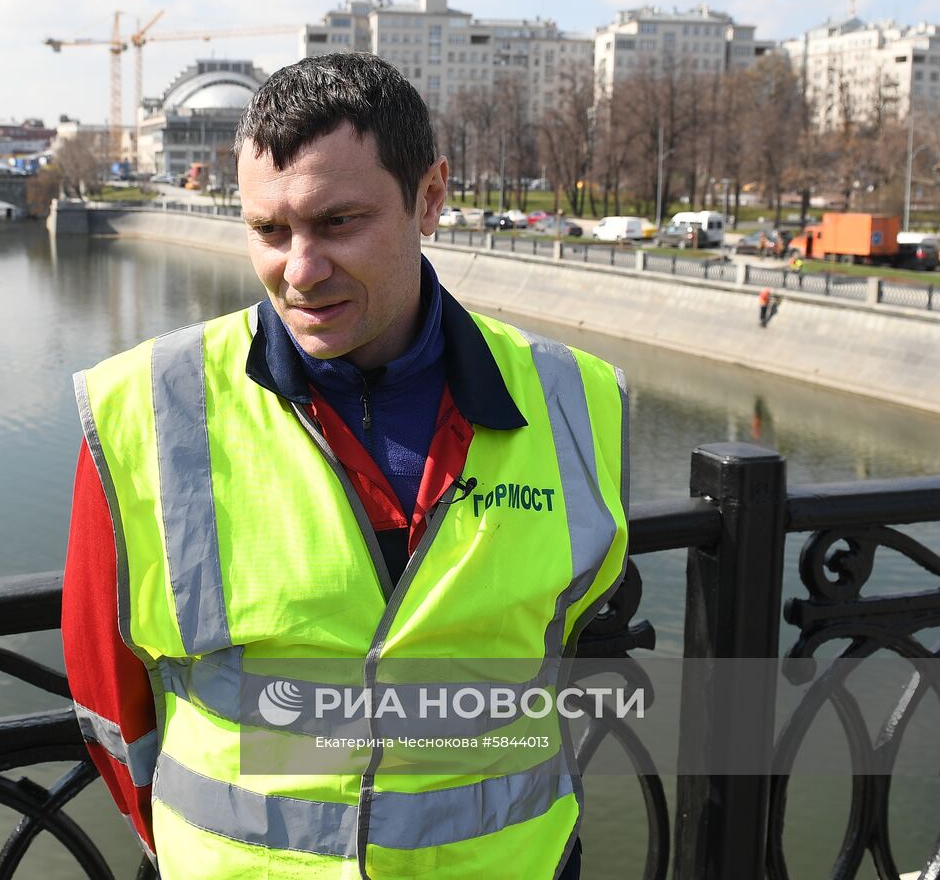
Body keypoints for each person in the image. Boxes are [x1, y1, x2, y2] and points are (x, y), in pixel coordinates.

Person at [63, 53, 628, 879]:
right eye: (268, 231)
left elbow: (565, 639)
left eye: (337, 224)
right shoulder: (141, 408)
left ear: (430, 197)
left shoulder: (579, 397)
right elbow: (108, 697)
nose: (299, 270)